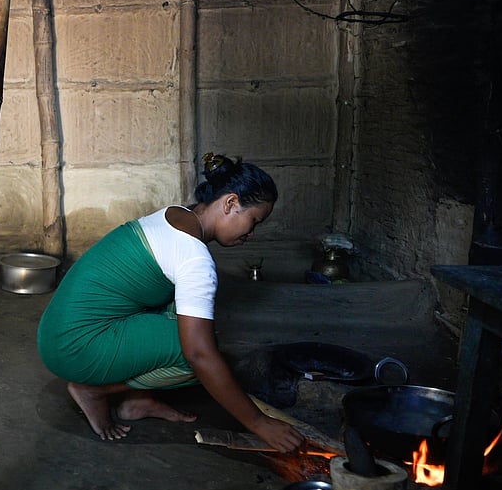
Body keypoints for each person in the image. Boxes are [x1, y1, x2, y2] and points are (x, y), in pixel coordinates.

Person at [36, 152, 305, 451]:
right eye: (253, 221)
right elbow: (199, 356)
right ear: (230, 203)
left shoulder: (175, 215)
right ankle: (94, 389)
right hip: (75, 348)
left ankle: (137, 401)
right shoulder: (194, 259)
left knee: (183, 315)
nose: (251, 234)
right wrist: (259, 423)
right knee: (200, 355)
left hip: (55, 331)